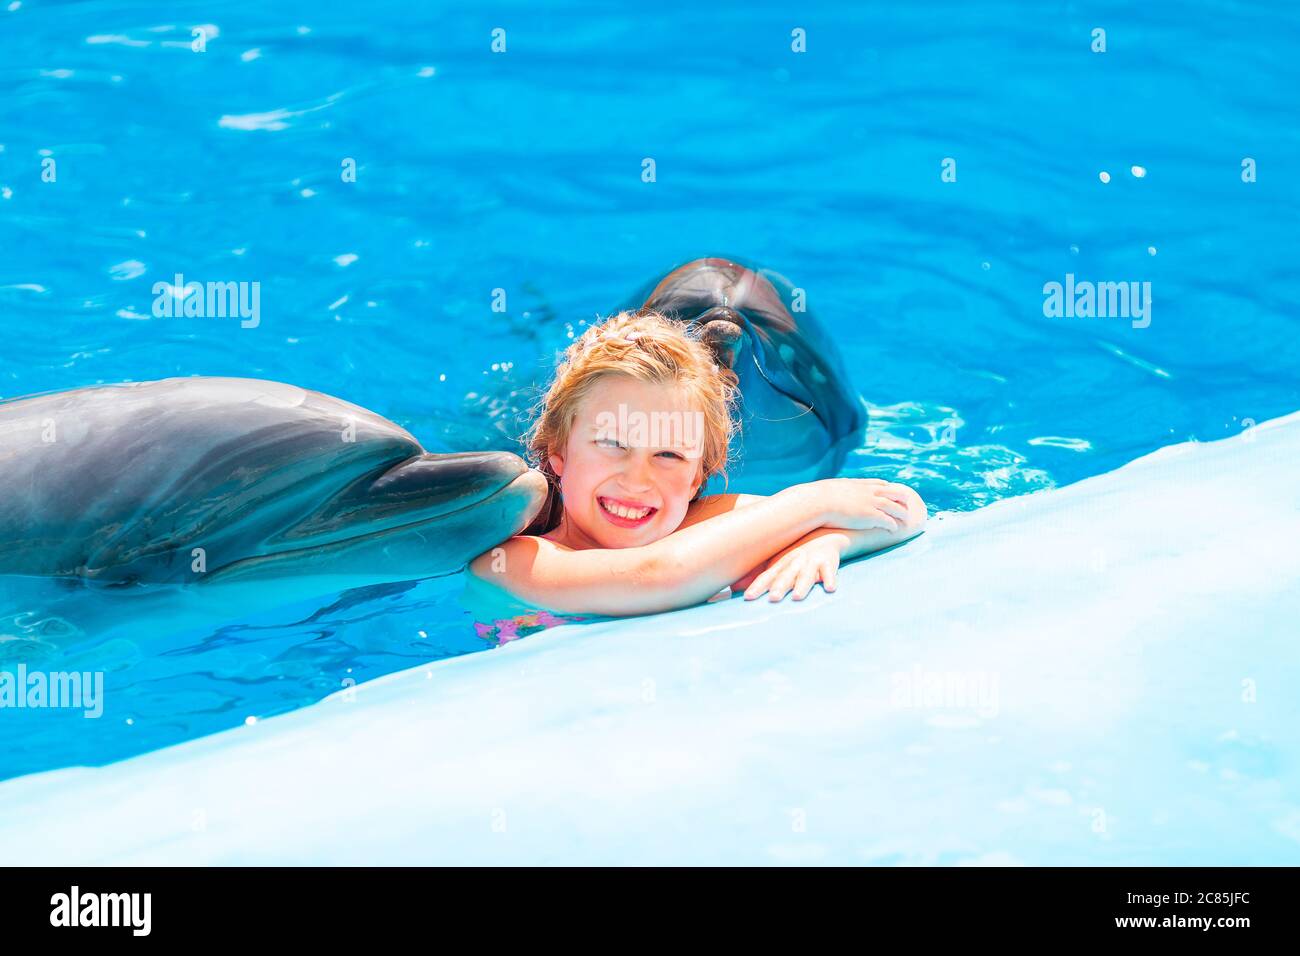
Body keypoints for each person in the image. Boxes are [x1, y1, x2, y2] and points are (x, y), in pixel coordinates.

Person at [465, 309, 926, 628]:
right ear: (556, 452)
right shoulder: (510, 560)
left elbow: (906, 510)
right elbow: (654, 576)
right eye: (612, 444)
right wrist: (814, 503)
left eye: (669, 456)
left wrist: (830, 540)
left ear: (697, 479)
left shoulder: (708, 522)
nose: (636, 479)